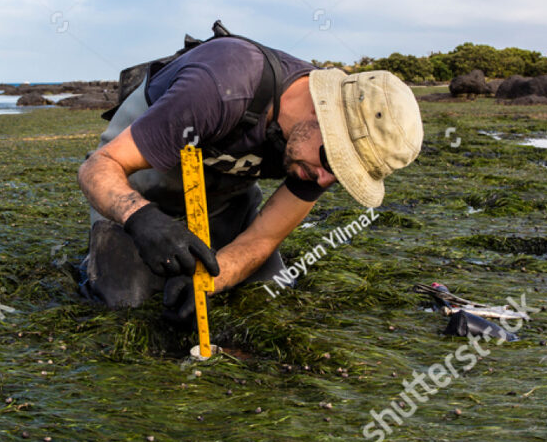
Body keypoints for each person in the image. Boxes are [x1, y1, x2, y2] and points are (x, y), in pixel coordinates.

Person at [76, 25, 423, 326]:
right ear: (322, 114)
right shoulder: (223, 86)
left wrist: (209, 283)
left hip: (224, 201)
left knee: (268, 295)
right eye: (333, 162)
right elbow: (98, 167)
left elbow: (262, 240)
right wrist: (140, 218)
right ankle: (94, 256)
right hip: (138, 184)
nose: (323, 181)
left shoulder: (317, 160)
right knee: (124, 303)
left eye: (342, 176)